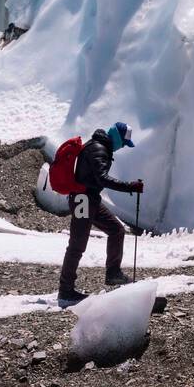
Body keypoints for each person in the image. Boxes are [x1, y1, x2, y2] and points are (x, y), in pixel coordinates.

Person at [58, 121, 144, 308]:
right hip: (83, 199)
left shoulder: (99, 146)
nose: (122, 147)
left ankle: (113, 274)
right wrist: (129, 186)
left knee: (116, 230)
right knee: (77, 246)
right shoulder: (99, 149)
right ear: (118, 138)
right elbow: (101, 178)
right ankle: (65, 291)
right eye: (123, 143)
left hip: (90, 199)